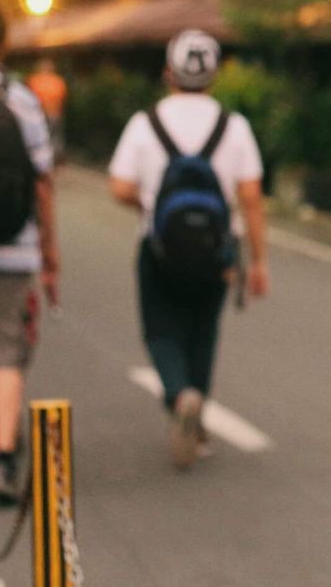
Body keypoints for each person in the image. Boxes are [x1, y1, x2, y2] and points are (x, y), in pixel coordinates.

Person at [108, 30, 269, 470]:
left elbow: (119, 185)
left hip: (159, 248)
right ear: (215, 76)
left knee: (162, 329)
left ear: (167, 73)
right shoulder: (233, 127)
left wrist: (147, 204)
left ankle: (180, 395)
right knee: (203, 331)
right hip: (219, 250)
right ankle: (197, 427)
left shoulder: (146, 123)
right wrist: (258, 261)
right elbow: (251, 195)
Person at [0, 1, 59, 503]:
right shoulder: (22, 99)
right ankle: (4, 459)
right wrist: (50, 256)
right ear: (0, 44)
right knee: (7, 350)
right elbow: (43, 183)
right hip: (14, 246)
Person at [26, 58, 68, 159]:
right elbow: (63, 97)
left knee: (44, 136)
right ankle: (54, 157)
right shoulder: (58, 81)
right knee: (54, 136)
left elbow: (28, 97)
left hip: (43, 113)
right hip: (53, 112)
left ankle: (46, 157)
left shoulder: (35, 80)